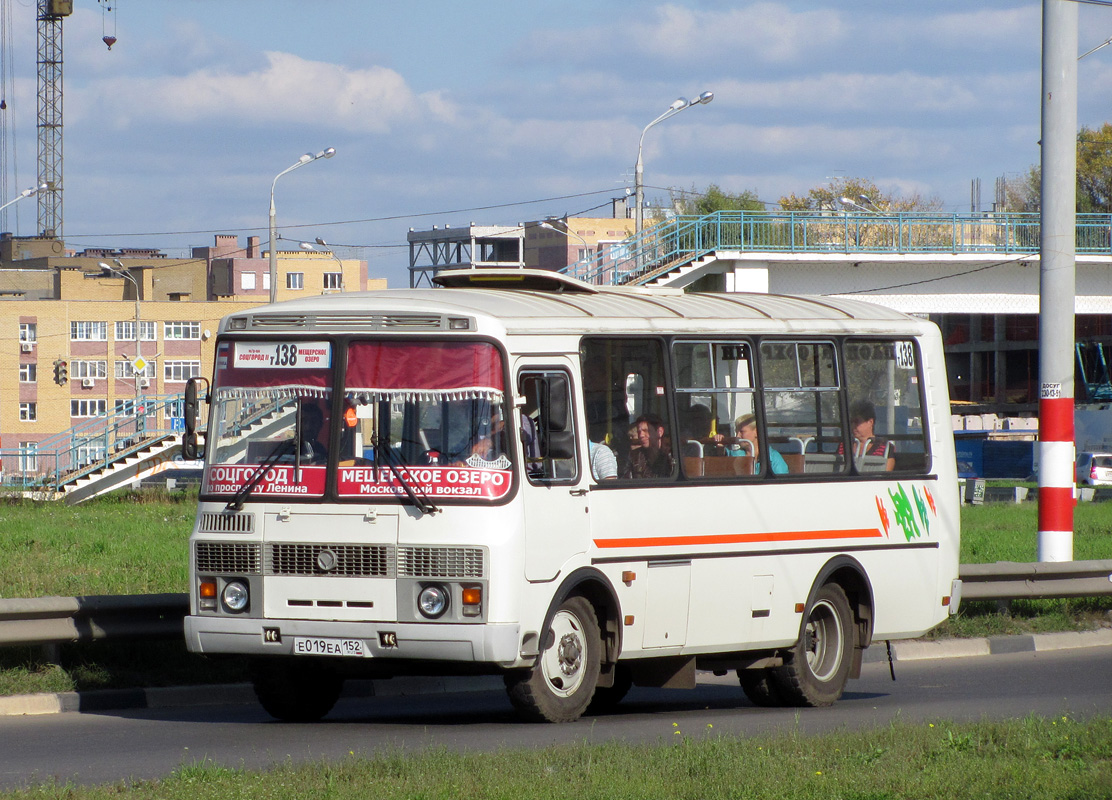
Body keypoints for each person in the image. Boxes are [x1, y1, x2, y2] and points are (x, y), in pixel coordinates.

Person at [841, 399, 895, 471]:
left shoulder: (886, 448)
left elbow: (885, 474)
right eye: (851, 422)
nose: (852, 426)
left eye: (857, 421)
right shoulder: (844, 445)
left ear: (870, 422)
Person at [628, 413, 673, 479]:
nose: (641, 435)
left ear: (659, 432)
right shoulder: (634, 456)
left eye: (646, 431)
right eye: (639, 432)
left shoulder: (672, 457)